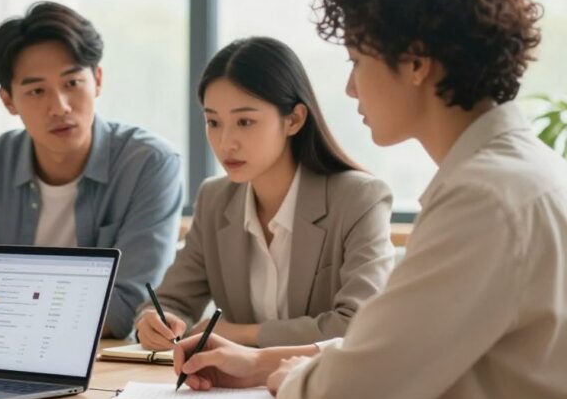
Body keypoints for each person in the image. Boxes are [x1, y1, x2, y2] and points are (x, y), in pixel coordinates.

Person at [172, 0, 566, 399]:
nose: (351, 88)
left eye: (357, 60)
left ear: (415, 63)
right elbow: (399, 349)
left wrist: (287, 378)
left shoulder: (485, 199)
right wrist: (263, 363)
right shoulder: (521, 172)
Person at [0, 2, 184, 338]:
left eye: (72, 83)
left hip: (99, 367)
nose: (59, 107)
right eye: (37, 91)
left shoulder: (149, 164)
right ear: (8, 100)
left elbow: (128, 305)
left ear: (97, 80)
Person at [136, 36, 393, 350]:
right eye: (213, 122)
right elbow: (171, 301)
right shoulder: (215, 199)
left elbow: (360, 324)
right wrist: (155, 320)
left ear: (294, 120)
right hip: (227, 393)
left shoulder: (359, 199)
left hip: (325, 391)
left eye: (245, 121)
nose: (226, 142)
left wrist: (239, 335)